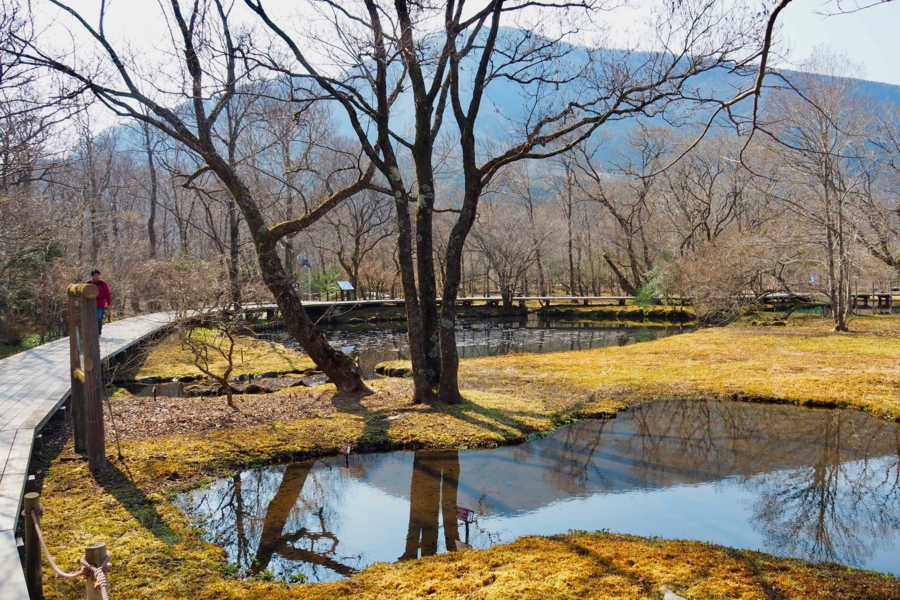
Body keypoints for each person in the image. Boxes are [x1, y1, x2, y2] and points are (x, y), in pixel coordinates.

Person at [87, 269, 112, 335]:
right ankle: (92, 332)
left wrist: (109, 303)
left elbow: (107, 294)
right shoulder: (88, 283)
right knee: (91, 318)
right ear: (92, 276)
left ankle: (98, 332)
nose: (97, 276)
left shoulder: (103, 283)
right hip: (90, 303)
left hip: (100, 303)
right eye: (95, 275)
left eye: (98, 275)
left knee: (99, 317)